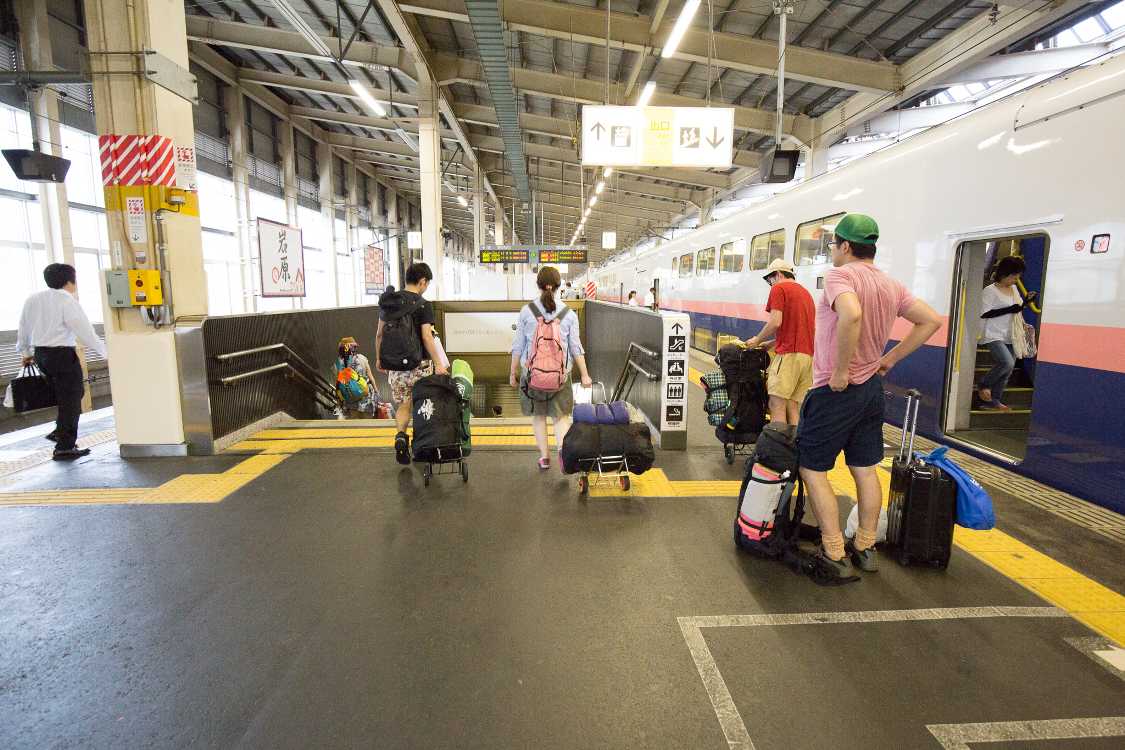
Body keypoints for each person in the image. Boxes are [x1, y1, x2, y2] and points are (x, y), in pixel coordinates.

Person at [796, 214, 941, 581]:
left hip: (835, 390)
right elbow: (930, 321)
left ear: (845, 246)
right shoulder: (890, 284)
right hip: (872, 392)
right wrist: (888, 360)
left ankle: (833, 550)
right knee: (864, 469)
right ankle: (865, 546)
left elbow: (852, 314)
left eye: (833, 245)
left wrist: (842, 370)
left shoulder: (840, 277)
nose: (832, 251)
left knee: (813, 468)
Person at [16, 263, 107, 460]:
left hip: (41, 354)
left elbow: (23, 327)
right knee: (72, 399)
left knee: (69, 396)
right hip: (62, 355)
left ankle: (60, 432)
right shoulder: (67, 300)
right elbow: (84, 331)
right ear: (69, 280)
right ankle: (64, 446)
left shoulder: (32, 299)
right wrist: (105, 353)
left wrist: (25, 352)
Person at [510, 266, 593, 470]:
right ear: (558, 286)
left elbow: (517, 346)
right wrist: (585, 375)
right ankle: (563, 456)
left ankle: (544, 458)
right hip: (560, 376)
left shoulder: (527, 311)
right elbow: (576, 348)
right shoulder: (569, 314)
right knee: (560, 417)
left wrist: (512, 373)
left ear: (539, 285)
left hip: (532, 375)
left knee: (538, 416)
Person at [376, 262, 447, 465]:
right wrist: (439, 363)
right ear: (422, 281)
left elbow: (379, 334)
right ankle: (422, 446)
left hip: (396, 367)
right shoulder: (423, 304)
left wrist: (380, 359)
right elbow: (427, 337)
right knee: (423, 405)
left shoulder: (388, 302)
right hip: (420, 366)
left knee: (404, 405)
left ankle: (400, 435)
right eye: (427, 284)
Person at [744, 258, 815, 425]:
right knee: (792, 406)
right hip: (808, 358)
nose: (770, 283)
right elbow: (799, 330)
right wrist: (771, 344)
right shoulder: (806, 293)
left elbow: (776, 321)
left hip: (789, 356)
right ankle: (794, 449)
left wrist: (757, 340)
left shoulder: (779, 288)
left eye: (770, 279)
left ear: (777, 274)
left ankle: (778, 450)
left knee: (776, 404)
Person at [978, 256, 1036, 411]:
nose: (1016, 280)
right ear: (1004, 273)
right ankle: (984, 384)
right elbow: (984, 313)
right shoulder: (990, 290)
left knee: (1008, 369)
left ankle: (993, 400)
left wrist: (1026, 302)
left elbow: (1016, 310)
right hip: (993, 334)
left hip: (1011, 335)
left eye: (1018, 277)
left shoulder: (1014, 289)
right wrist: (1010, 309)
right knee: (1007, 363)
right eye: (1014, 276)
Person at [333, 336, 378, 418]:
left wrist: (339, 401)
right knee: (368, 425)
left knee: (354, 426)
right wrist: (376, 391)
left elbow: (338, 385)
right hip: (365, 398)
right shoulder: (362, 358)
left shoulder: (338, 363)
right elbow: (371, 378)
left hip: (350, 400)